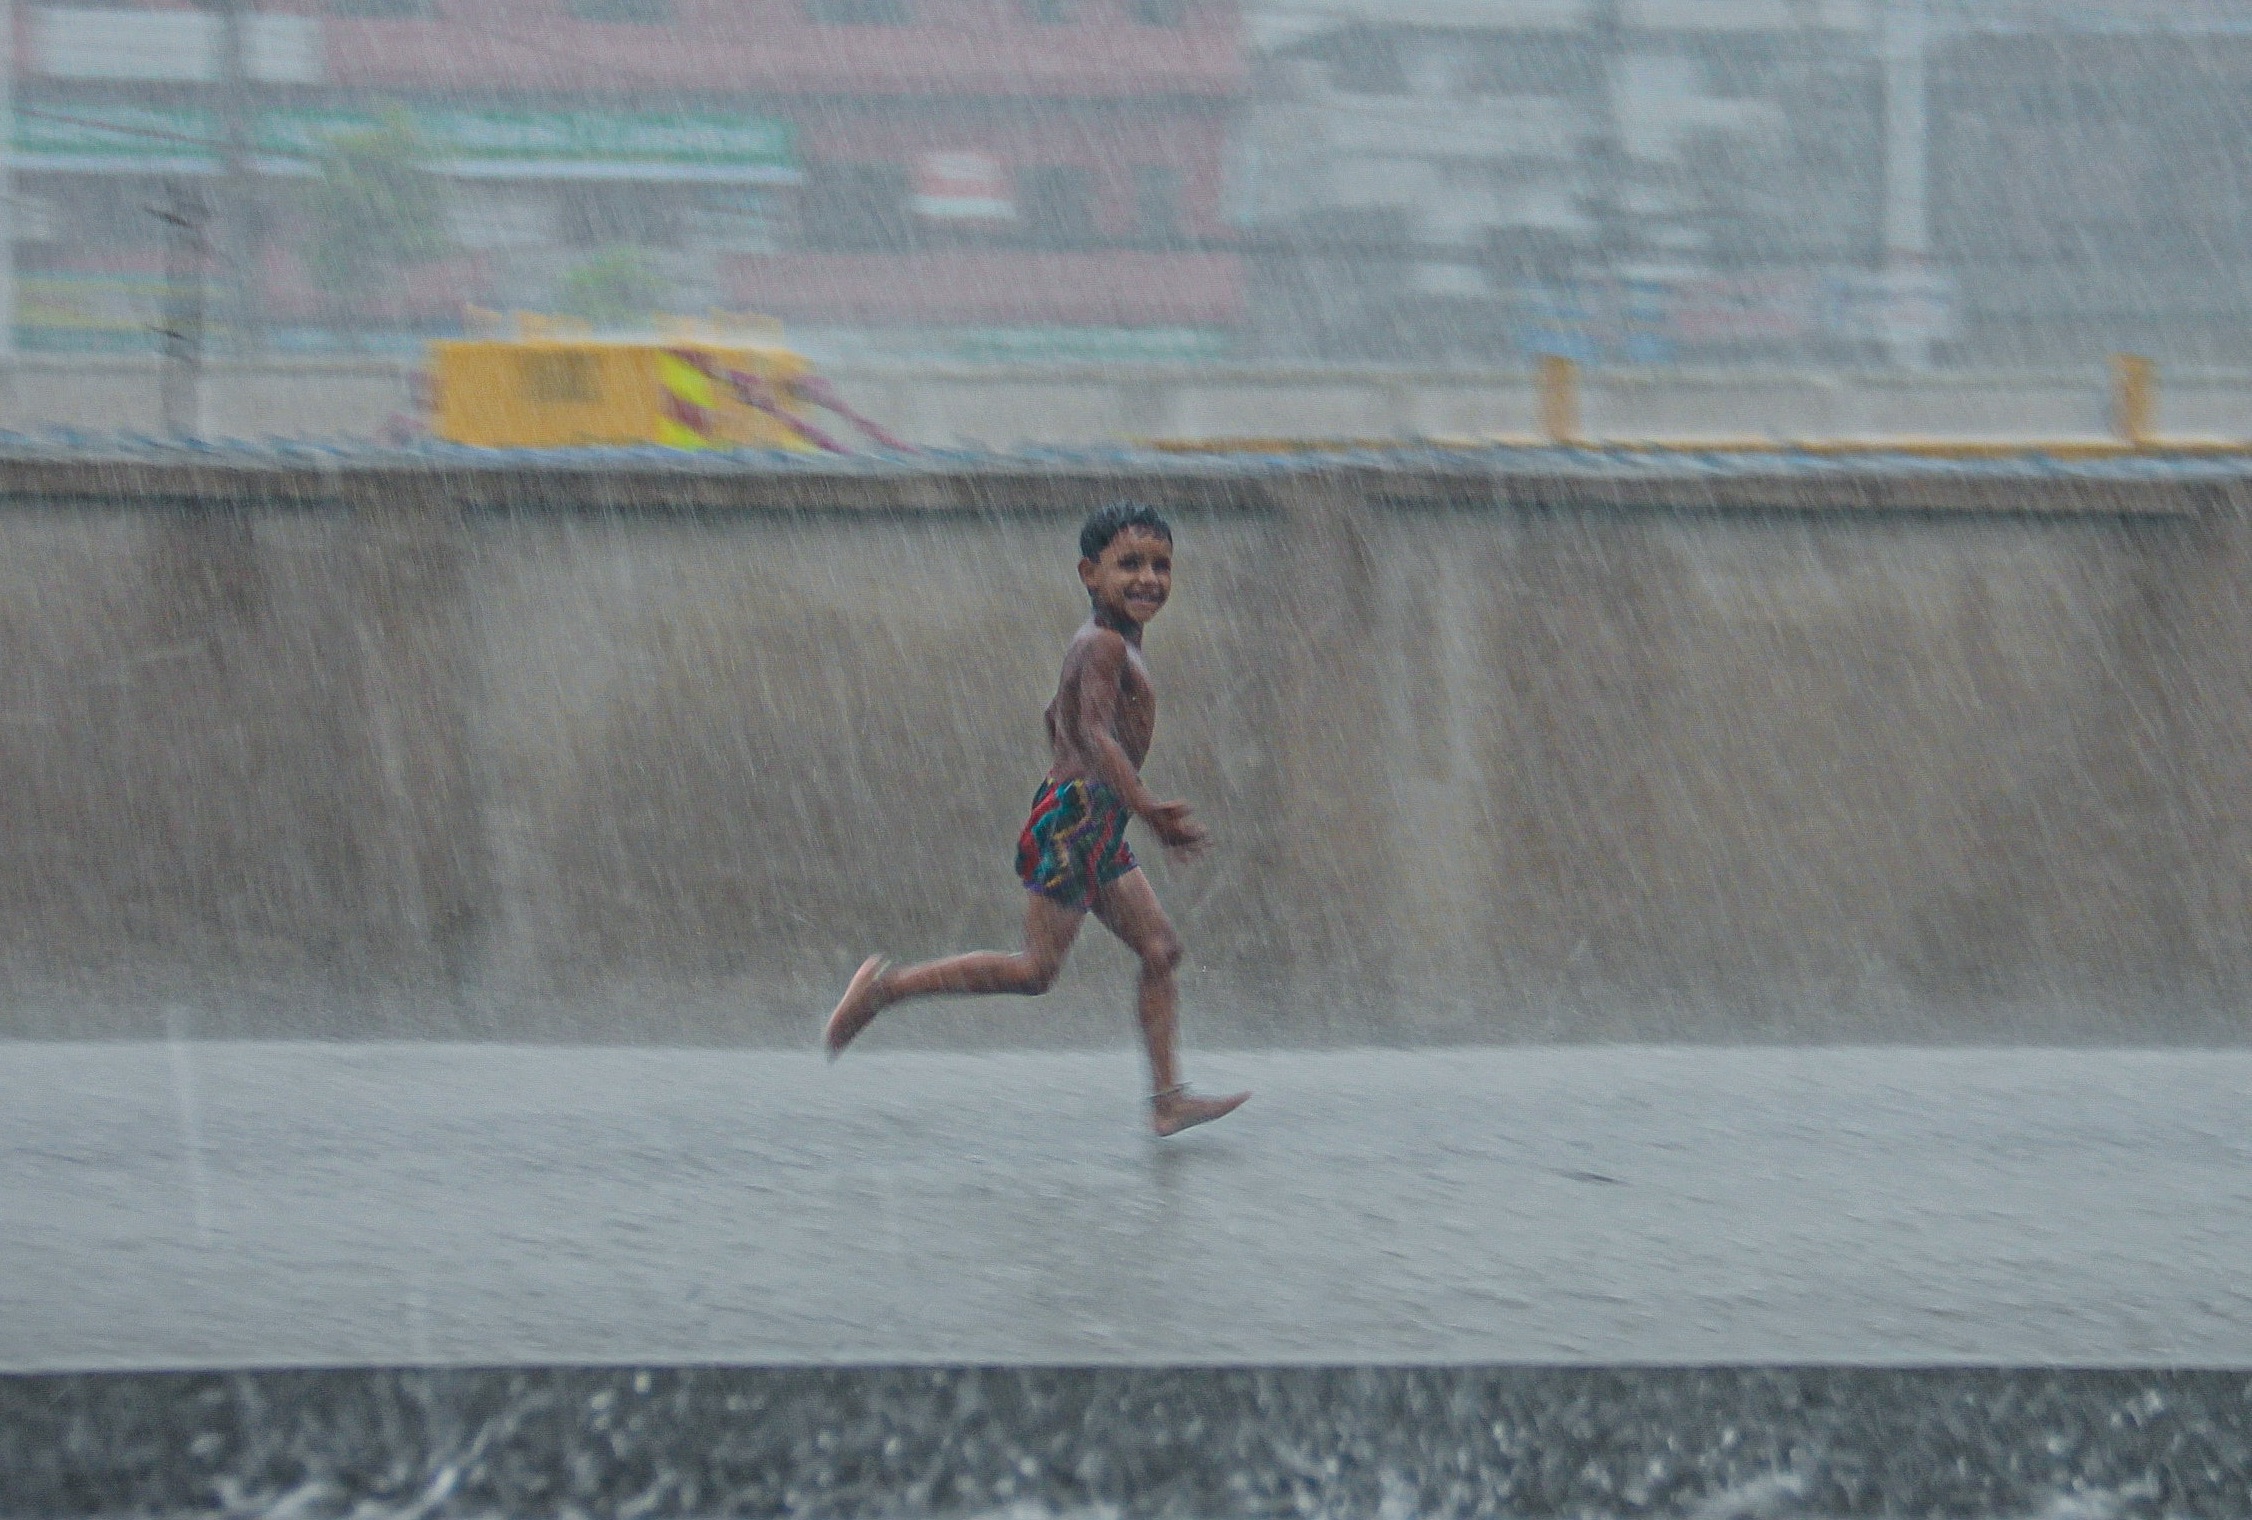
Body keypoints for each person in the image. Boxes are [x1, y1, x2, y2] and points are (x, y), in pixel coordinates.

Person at [823, 501, 1250, 1137]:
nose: (1149, 579)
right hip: (1079, 819)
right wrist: (1147, 808)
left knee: (1160, 948)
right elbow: (1096, 734)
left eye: (1161, 565)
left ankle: (1168, 1098)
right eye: (1128, 564)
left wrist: (1088, 780)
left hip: (1090, 819)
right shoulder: (1104, 645)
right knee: (1034, 971)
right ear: (1089, 573)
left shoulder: (1110, 645)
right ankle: (886, 990)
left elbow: (1057, 716)